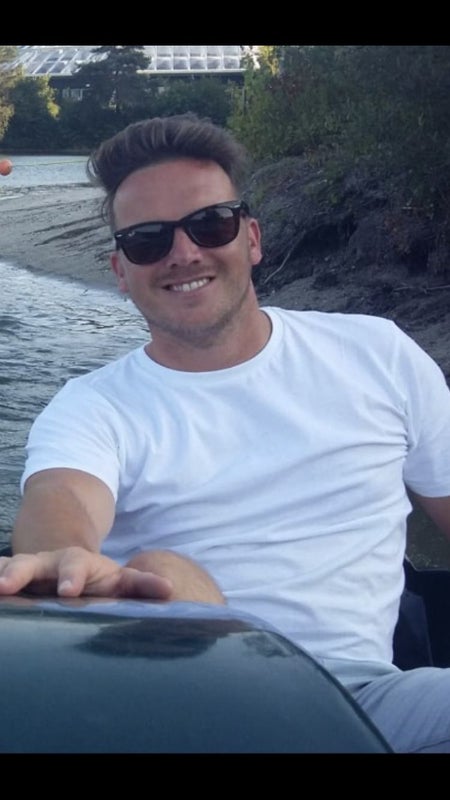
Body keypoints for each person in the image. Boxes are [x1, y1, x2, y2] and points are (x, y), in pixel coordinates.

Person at [0, 113, 449, 752]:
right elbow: (62, 499)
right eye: (148, 240)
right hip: (187, 701)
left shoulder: (380, 356)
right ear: (121, 270)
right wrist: (60, 558)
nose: (184, 253)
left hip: (366, 702)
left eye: (210, 224)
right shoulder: (94, 408)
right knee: (165, 574)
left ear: (252, 238)